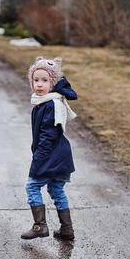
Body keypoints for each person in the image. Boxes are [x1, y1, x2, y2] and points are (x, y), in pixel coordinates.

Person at [21, 56, 78, 241]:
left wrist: (38, 158)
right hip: (60, 154)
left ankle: (40, 226)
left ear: (53, 82)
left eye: (44, 80)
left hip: (51, 154)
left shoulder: (51, 104)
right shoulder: (43, 102)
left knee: (32, 186)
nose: (39, 84)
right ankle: (67, 230)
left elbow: (49, 135)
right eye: (36, 80)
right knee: (56, 189)